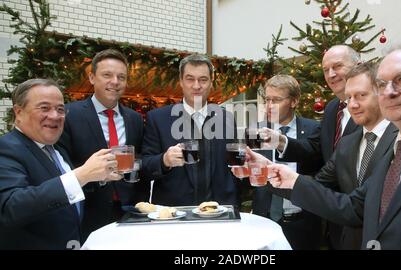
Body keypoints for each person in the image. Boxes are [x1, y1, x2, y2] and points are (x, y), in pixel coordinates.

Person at [268, 43, 401, 249]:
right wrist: (280, 177)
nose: (389, 92)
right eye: (382, 84)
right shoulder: (397, 148)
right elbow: (356, 207)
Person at [0, 79, 122, 249]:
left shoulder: (56, 150)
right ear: (19, 112)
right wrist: (81, 175)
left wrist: (98, 177)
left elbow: (65, 194)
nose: (55, 116)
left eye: (60, 109)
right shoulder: (6, 147)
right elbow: (10, 207)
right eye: (44, 108)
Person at [264, 44, 360, 249]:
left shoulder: (375, 111)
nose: (331, 74)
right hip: (331, 215)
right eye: (326, 69)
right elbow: (319, 154)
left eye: (338, 66)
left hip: (361, 213)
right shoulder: (333, 107)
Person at [58, 49, 145, 241]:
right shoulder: (69, 115)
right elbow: (62, 165)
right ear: (91, 77)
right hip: (88, 210)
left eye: (121, 77)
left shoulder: (135, 119)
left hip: (129, 210)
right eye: (107, 75)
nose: (115, 81)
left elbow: (140, 158)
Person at [141, 54, 238, 206]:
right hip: (174, 215)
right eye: (190, 79)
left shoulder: (227, 118)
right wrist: (164, 160)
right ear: (181, 81)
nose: (196, 85)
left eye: (203, 79)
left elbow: (234, 165)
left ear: (211, 82)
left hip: (220, 212)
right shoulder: (157, 119)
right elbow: (145, 166)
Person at [247, 75, 323, 250]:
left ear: (294, 101)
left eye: (276, 100)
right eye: (267, 100)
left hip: (302, 222)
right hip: (265, 219)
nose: (269, 106)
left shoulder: (314, 128)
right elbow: (248, 174)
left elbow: (316, 161)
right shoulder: (255, 130)